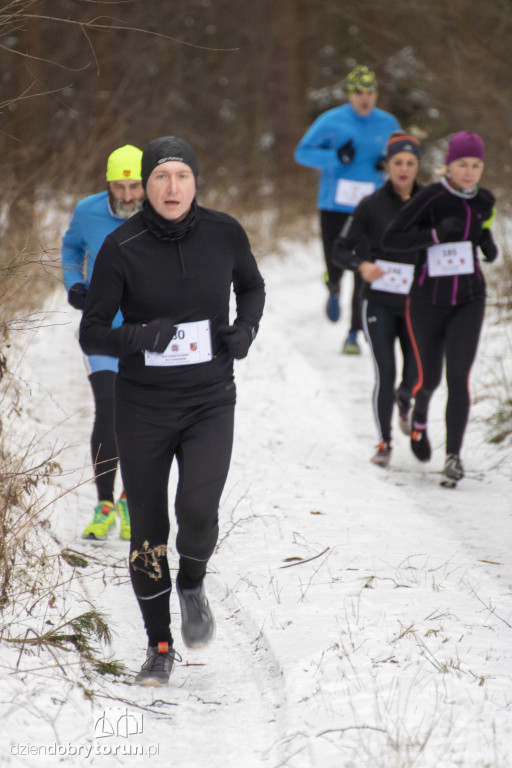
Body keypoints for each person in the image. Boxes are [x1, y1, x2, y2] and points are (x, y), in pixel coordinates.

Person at [79, 136, 265, 685]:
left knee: (199, 511)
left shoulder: (225, 232)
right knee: (149, 530)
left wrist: (245, 330)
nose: (171, 187)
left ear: (195, 181)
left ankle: (192, 582)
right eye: (160, 177)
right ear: (145, 185)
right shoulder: (122, 245)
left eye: (181, 175)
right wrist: (137, 336)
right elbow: (91, 329)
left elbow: (252, 288)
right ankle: (159, 645)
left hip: (210, 399)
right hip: (142, 408)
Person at [382, 131, 498, 487]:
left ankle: (453, 458)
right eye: (462, 164)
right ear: (448, 164)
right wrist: (433, 235)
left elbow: (483, 227)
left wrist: (487, 242)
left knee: (458, 377)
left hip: (469, 298)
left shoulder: (486, 199)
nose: (468, 172)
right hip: (427, 301)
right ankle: (419, 418)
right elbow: (392, 238)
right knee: (429, 378)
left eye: (476, 165)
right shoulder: (430, 198)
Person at [62, 144, 145, 542]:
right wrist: (74, 284)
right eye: (119, 185)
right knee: (109, 410)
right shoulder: (88, 211)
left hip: (146, 331)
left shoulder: (160, 212)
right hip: (102, 326)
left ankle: (132, 499)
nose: (128, 195)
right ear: (107, 183)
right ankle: (106, 503)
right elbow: (70, 247)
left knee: (141, 416)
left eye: (134, 185)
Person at [294, 65, 400, 354]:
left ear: (376, 94)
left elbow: (402, 155)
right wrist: (335, 157)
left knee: (363, 266)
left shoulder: (388, 123)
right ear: (350, 95)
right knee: (335, 260)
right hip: (334, 204)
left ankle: (353, 333)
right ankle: (333, 286)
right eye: (358, 93)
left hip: (370, 207)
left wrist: (387, 164)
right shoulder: (331, 121)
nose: (364, 99)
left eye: (369, 93)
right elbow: (302, 153)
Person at [333, 133, 422, 466]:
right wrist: (362, 265)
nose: (403, 168)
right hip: (379, 302)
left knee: (414, 374)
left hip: (418, 303)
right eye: (397, 162)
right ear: (388, 165)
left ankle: (405, 399)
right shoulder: (371, 205)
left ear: (417, 166)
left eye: (410, 163)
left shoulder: (429, 201)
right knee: (386, 370)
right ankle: (384, 443)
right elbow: (340, 250)